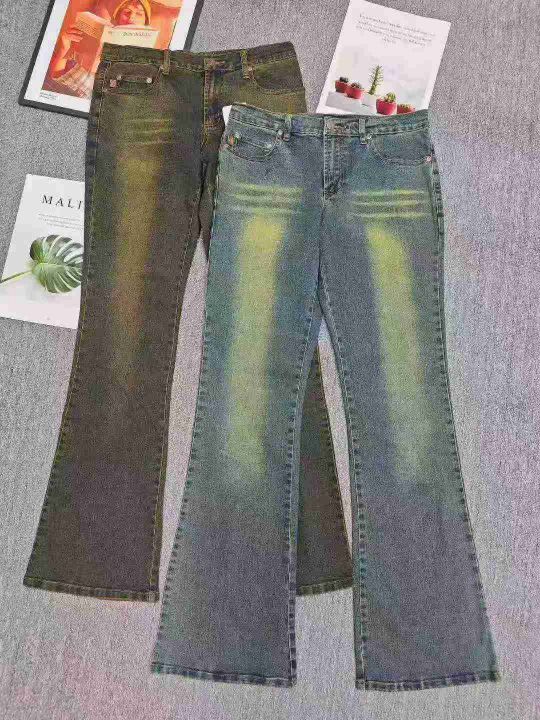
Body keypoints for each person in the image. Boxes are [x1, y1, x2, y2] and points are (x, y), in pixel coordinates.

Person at [45, 0, 152, 99]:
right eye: (127, 12)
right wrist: (64, 48)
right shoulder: (96, 40)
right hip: (66, 91)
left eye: (139, 13)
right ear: (118, 17)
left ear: (146, 22)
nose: (131, 17)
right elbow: (56, 76)